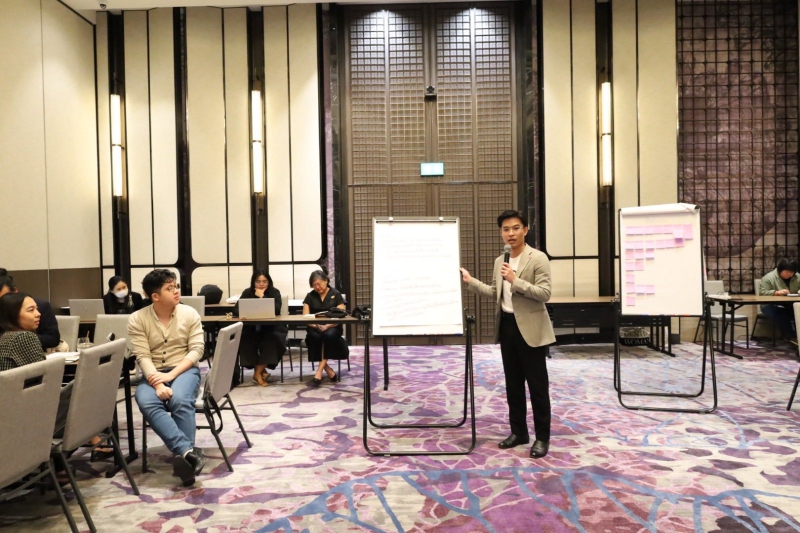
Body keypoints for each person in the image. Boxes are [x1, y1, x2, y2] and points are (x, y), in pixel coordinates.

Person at [459, 210, 556, 459]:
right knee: (513, 385)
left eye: (515, 228)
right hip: (508, 327)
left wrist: (515, 280)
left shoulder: (538, 258)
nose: (510, 233)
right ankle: (519, 432)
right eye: (505, 229)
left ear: (525, 230)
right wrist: (471, 281)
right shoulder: (500, 260)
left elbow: (545, 293)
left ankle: (542, 438)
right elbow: (496, 292)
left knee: (537, 387)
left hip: (531, 329)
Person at [129, 269, 205, 486]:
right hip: (152, 372)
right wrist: (157, 383)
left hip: (184, 370)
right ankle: (188, 453)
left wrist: (171, 375)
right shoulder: (137, 319)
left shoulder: (189, 313)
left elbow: (197, 350)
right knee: (146, 401)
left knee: (180, 400)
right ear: (155, 296)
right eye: (169, 288)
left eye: (176, 286)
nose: (176, 291)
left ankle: (185, 459)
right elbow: (142, 356)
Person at [0, 292, 72, 437]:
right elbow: (47, 385)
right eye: (31, 310)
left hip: (8, 413)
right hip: (28, 416)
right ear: (13, 315)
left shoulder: (5, 337)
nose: (38, 314)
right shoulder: (24, 337)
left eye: (37, 309)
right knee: (83, 388)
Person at [235, 270, 287, 387]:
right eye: (258, 282)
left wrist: (262, 297)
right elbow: (236, 309)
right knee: (244, 338)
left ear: (269, 282)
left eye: (264, 281)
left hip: (272, 327)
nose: (261, 284)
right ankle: (261, 371)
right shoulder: (247, 292)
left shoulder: (274, 292)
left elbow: (276, 309)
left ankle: (257, 373)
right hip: (251, 327)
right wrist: (242, 313)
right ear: (253, 282)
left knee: (274, 339)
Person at [303, 270, 347, 385]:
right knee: (313, 336)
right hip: (315, 327)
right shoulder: (310, 296)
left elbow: (341, 315)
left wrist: (327, 325)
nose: (317, 287)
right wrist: (316, 325)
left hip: (333, 327)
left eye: (319, 284)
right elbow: (306, 317)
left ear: (326, 281)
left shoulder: (336, 294)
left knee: (328, 335)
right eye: (314, 285)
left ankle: (319, 371)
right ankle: (327, 369)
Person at [0, 268, 61, 352]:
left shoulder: (40, 306)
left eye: (4, 297)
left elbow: (52, 338)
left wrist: (24, 339)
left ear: (15, 291)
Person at [758, 258, 800, 340]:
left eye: (792, 272)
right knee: (781, 313)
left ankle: (798, 336)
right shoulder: (769, 278)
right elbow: (762, 293)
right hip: (770, 305)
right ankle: (791, 337)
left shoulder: (797, 276)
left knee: (797, 311)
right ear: (780, 269)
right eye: (787, 272)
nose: (790, 274)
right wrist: (776, 292)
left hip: (791, 304)